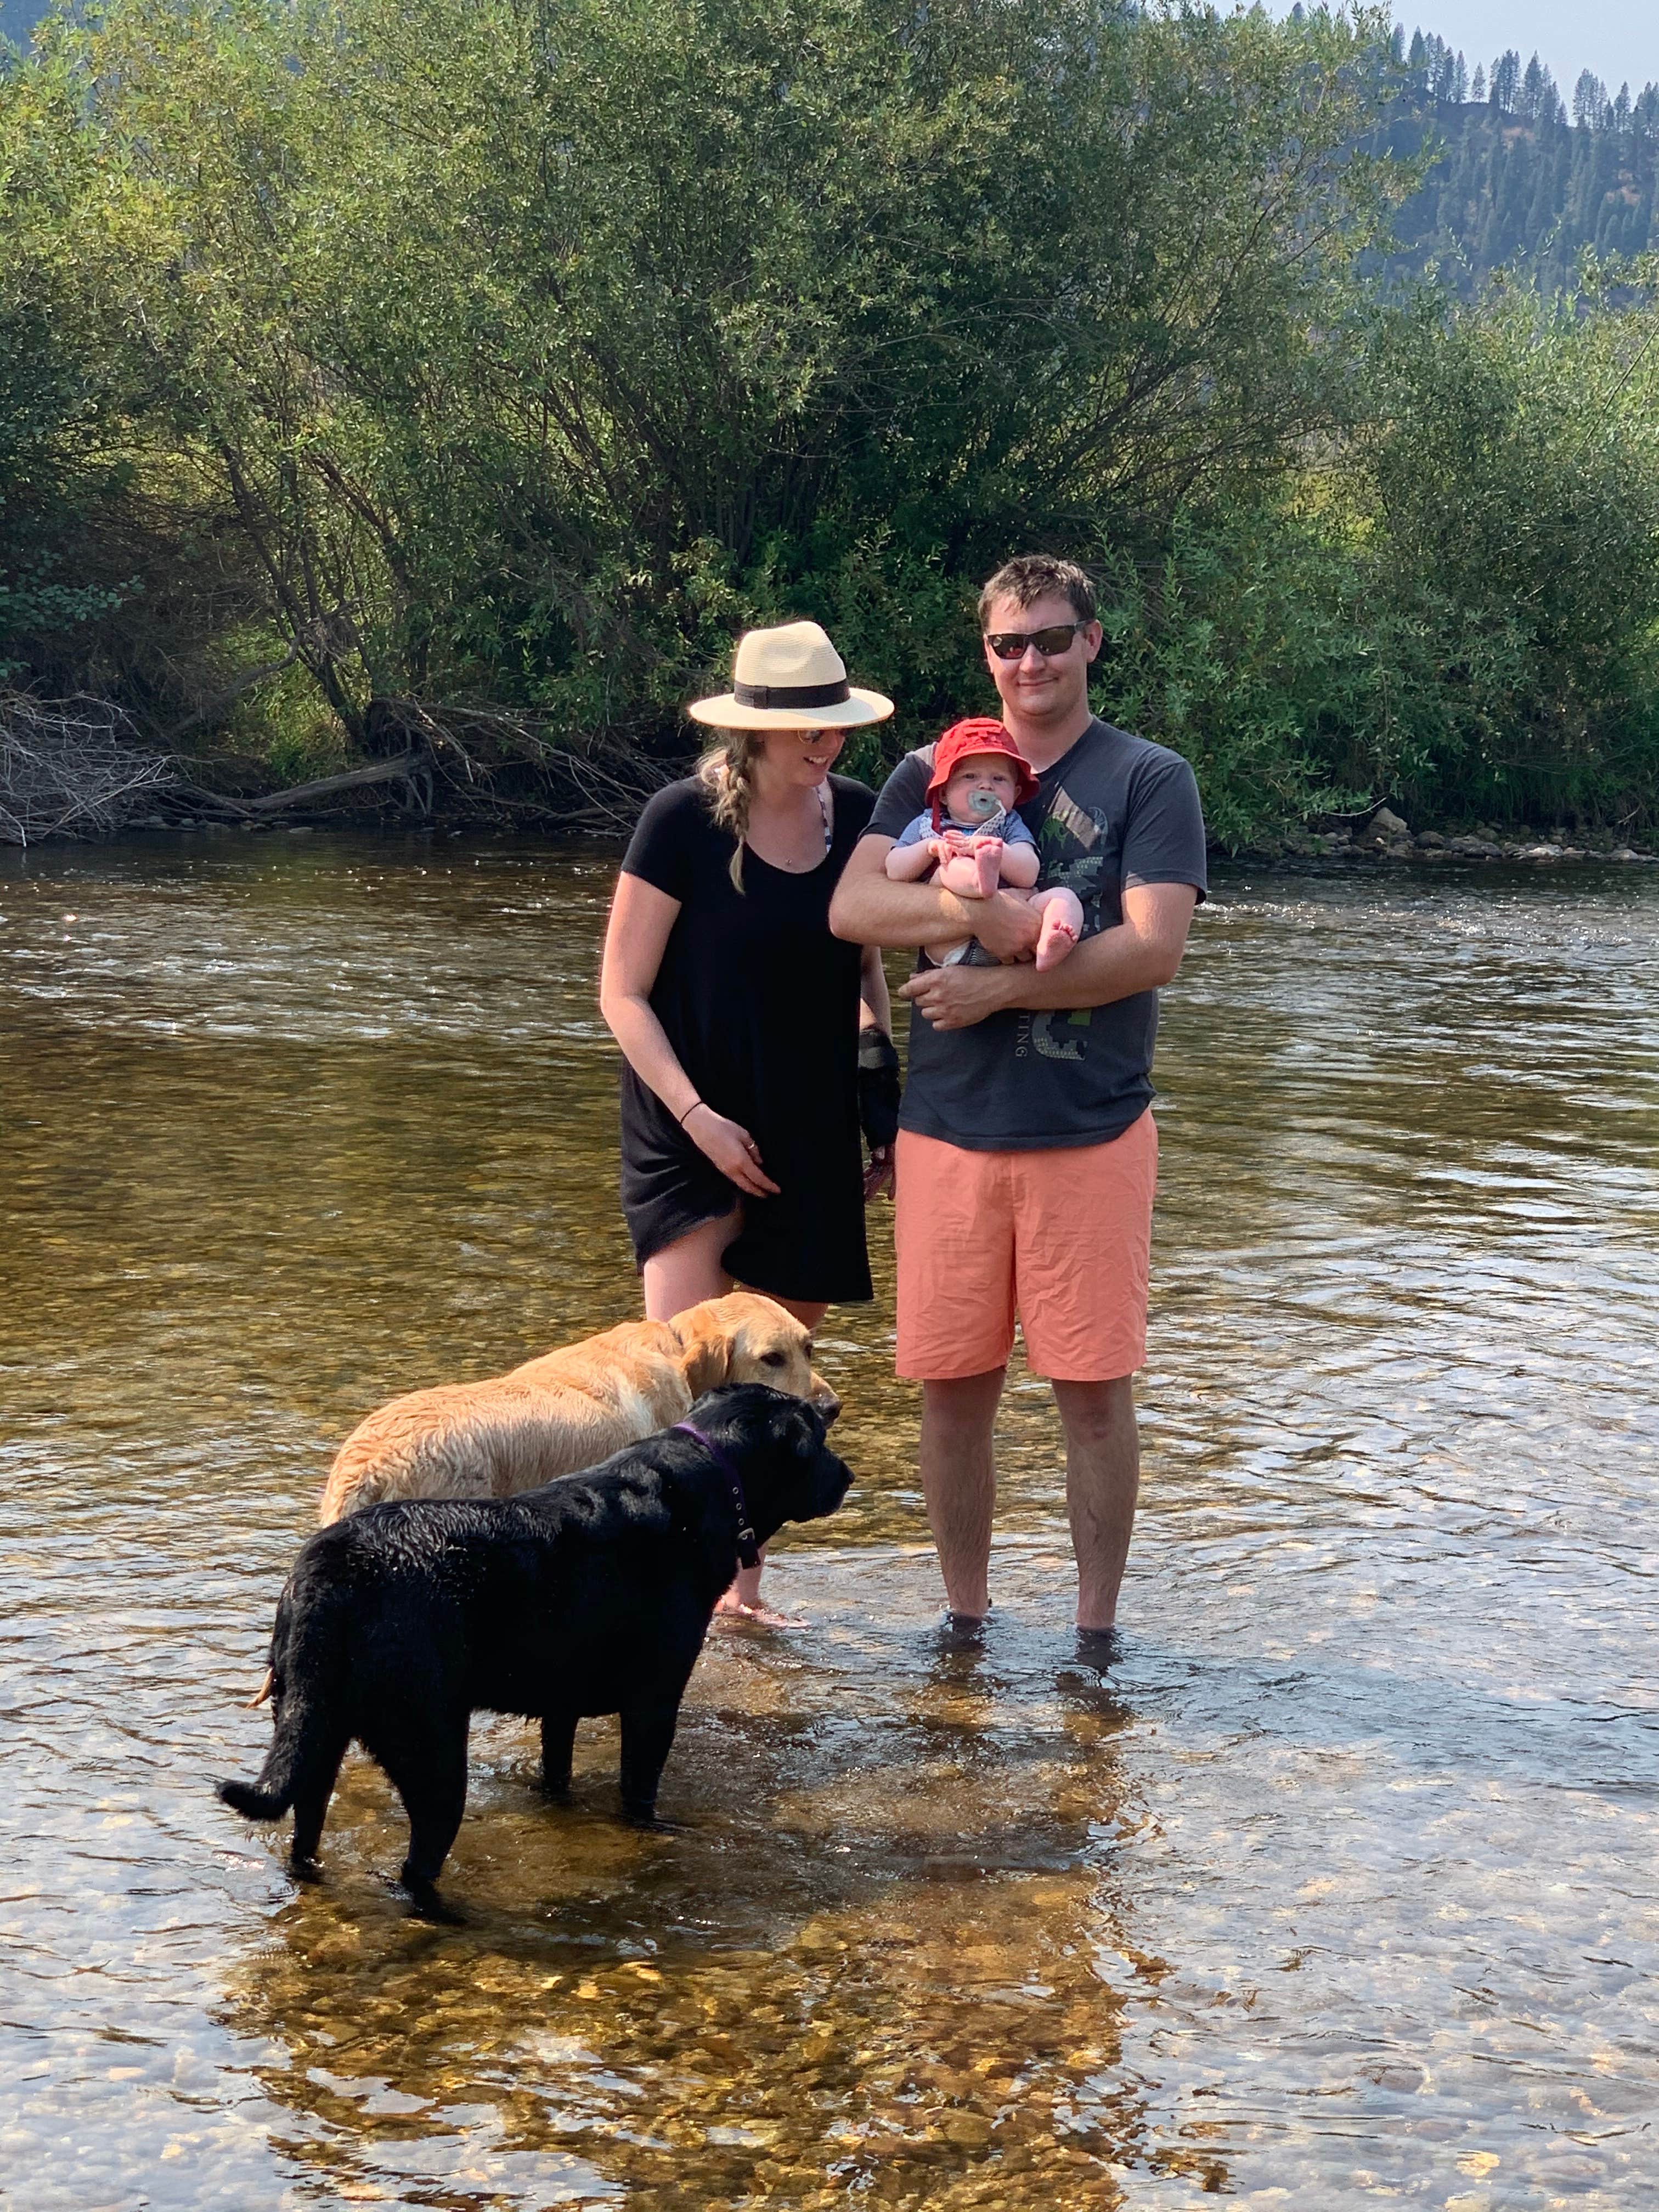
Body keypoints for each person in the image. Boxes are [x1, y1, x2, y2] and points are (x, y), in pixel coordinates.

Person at [828, 554, 1207, 1647]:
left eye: (1050, 637)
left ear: (1092, 640)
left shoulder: (1149, 778)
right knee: (952, 1392)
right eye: (1008, 643)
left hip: (1092, 1131)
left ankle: (1095, 1636)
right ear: (987, 654)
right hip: (944, 1134)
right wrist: (976, 913)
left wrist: (1000, 964)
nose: (1029, 660)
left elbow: (1154, 949)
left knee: (1091, 1394)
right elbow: (853, 906)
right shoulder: (928, 771)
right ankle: (966, 1622)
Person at [600, 619, 899, 1626]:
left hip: (810, 1125)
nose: (826, 744)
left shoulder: (860, 817)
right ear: (749, 735)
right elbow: (620, 993)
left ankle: (740, 1596)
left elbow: (868, 978)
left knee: (774, 1396)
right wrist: (697, 1117)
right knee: (684, 1384)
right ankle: (653, 1593)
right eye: (806, 729)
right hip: (689, 1122)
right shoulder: (679, 820)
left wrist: (880, 1113)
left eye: (835, 725)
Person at [884, 716, 1084, 970]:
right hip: (954, 942)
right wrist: (929, 849)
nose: (985, 785)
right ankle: (980, 880)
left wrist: (996, 853)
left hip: (1016, 936)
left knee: (1063, 897)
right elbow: (894, 868)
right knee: (950, 867)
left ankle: (1052, 943)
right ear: (944, 793)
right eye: (970, 776)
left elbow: (1028, 873)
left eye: (999, 780)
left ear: (1016, 793)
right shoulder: (930, 826)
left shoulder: (1008, 824)